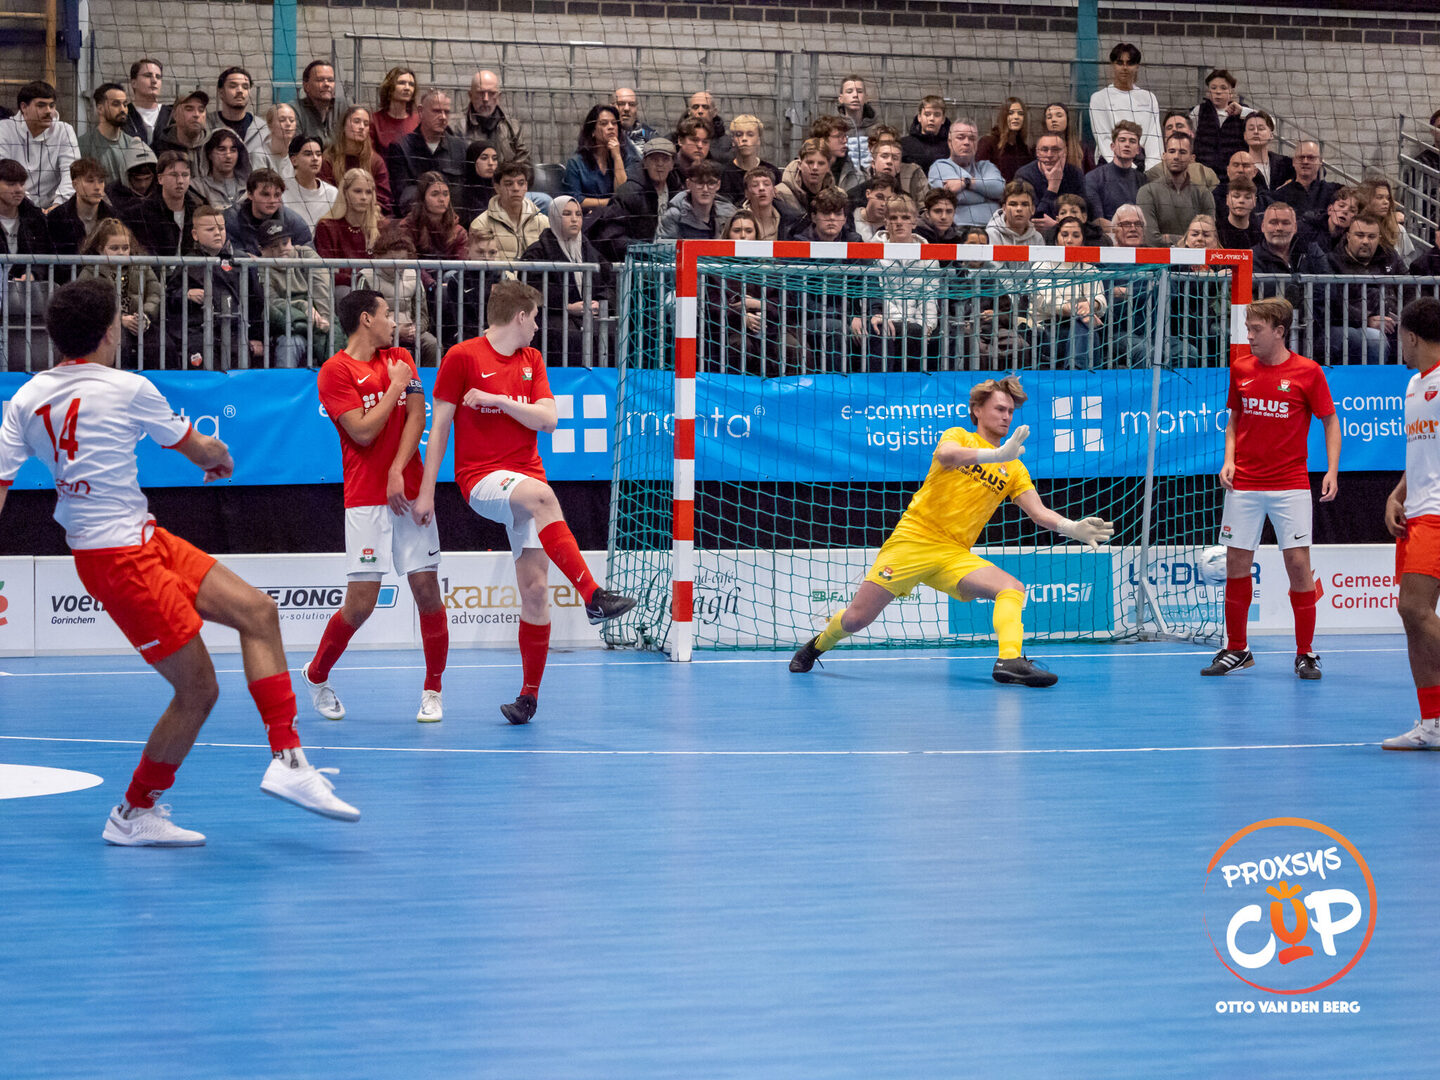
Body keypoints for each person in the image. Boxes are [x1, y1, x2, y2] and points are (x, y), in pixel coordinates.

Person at [0, 278, 359, 843]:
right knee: (198, 690)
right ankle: (132, 814)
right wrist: (218, 458)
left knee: (259, 612)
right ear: (110, 332)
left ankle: (289, 760)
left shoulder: (24, 399)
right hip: (118, 559)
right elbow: (200, 448)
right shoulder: (128, 388)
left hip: (142, 540)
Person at [789, 375, 1113, 684]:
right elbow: (946, 456)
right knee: (856, 619)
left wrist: (1073, 527)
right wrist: (996, 454)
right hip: (913, 542)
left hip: (953, 554)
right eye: (1000, 409)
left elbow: (1038, 512)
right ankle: (816, 646)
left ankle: (1010, 661)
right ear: (977, 410)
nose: (1006, 416)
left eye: (1011, 411)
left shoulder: (1014, 468)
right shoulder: (958, 435)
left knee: (1011, 588)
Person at [413, 279, 637, 724]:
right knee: (544, 495)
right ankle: (593, 595)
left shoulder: (532, 359)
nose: (537, 326)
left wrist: (498, 400)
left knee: (535, 590)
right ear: (519, 316)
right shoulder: (462, 357)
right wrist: (426, 491)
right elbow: (438, 429)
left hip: (526, 482)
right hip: (481, 479)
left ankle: (528, 698)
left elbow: (549, 420)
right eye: (534, 318)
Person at [300, 288, 449, 723]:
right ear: (366, 319)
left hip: (410, 491)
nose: (394, 322)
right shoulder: (334, 372)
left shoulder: (401, 356)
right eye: (387, 314)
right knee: (361, 604)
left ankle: (433, 690)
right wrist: (395, 388)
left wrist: (398, 469)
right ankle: (316, 674)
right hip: (365, 498)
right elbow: (362, 432)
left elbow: (417, 417)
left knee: (428, 592)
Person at [1203, 297, 1339, 680]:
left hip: (1290, 484)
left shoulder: (1308, 372)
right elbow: (1234, 422)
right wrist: (1228, 460)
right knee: (1236, 564)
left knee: (1298, 564)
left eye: (1256, 329)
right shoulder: (1241, 368)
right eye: (1247, 329)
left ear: (1279, 331)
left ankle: (1306, 652)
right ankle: (1237, 648)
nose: (1249, 336)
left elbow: (1330, 421)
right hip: (1244, 484)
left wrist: (1332, 470)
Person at [1382, 299, 1440, 747]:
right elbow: (1421, 453)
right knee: (1412, 620)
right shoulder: (1414, 386)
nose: (1399, 344)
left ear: (1412, 337)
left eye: (1400, 336)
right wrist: (1397, 495)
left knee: (1413, 609)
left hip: (1438, 515)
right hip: (1416, 514)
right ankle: (1432, 724)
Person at [76, 219, 161, 368]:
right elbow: (87, 304)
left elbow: (155, 294)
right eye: (114, 248)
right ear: (100, 249)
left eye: (125, 248)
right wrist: (119, 319)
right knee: (120, 345)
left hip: (140, 322)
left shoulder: (142, 267)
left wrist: (145, 316)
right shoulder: (90, 272)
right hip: (107, 326)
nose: (121, 253)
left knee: (162, 345)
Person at [352, 232, 440, 367]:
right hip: (377, 334)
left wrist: (416, 329)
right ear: (378, 257)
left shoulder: (414, 276)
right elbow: (361, 317)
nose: (398, 265)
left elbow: (423, 316)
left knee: (432, 344)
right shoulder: (366, 278)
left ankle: (426, 378)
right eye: (392, 260)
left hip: (410, 332)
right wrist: (393, 331)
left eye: (403, 260)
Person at [255, 219, 333, 367]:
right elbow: (272, 303)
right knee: (291, 342)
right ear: (262, 250)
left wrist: (324, 318)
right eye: (274, 246)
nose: (282, 249)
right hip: (287, 325)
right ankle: (285, 381)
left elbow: (321, 287)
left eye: (285, 243)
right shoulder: (260, 267)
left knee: (334, 338)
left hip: (319, 316)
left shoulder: (306, 254)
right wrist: (303, 306)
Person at [588, 137, 681, 262]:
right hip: (637, 264)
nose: (660, 164)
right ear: (645, 162)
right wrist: (647, 251)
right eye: (654, 159)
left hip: (671, 260)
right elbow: (610, 236)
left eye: (665, 159)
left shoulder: (678, 192)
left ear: (672, 164)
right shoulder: (629, 193)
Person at [0, 80, 80, 211]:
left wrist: (58, 206)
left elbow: (71, 174)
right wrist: (33, 210)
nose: (48, 111)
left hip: (56, 210)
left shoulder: (65, 130)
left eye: (52, 105)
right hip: (14, 207)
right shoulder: (3, 130)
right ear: (24, 107)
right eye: (41, 105)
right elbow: (4, 177)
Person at [386, 89, 467, 212]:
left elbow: (464, 195)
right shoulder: (401, 148)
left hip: (452, 220)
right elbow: (403, 197)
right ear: (420, 111)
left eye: (446, 112)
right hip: (415, 220)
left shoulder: (460, 148)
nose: (443, 117)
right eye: (436, 111)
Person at [1088, 43, 1162, 167]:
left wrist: (1151, 169)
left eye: (1130, 63)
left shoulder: (1149, 98)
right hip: (1110, 162)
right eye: (1120, 63)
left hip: (1141, 161)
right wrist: (1128, 168)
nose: (1125, 67)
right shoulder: (1099, 98)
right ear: (1112, 65)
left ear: (1137, 66)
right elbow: (1104, 139)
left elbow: (1154, 138)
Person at [1137, 132, 1215, 245]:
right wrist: (1191, 239)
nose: (1176, 157)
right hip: (1159, 257)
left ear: (1192, 158)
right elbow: (1151, 239)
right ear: (1164, 156)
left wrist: (1167, 238)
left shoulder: (1204, 194)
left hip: (1194, 256)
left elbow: (1209, 239)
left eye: (1182, 152)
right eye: (1172, 151)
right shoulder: (1147, 192)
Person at [315, 167, 389, 285]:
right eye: (357, 191)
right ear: (345, 193)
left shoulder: (382, 226)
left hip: (377, 285)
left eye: (368, 192)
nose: (364, 197)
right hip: (342, 287)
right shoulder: (327, 227)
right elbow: (327, 272)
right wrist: (360, 280)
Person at [121, 150, 202, 258]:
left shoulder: (198, 211)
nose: (180, 181)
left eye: (185, 175)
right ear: (160, 179)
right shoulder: (138, 214)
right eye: (174, 175)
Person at [927, 118, 1004, 227]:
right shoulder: (940, 166)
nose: (967, 142)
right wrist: (989, 196)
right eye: (960, 137)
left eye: (972, 138)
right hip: (958, 230)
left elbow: (1000, 190)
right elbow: (955, 197)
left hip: (993, 230)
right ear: (950, 142)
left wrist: (966, 182)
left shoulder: (986, 166)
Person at [320, 106, 393, 214]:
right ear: (343, 126)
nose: (362, 127)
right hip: (336, 215)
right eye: (356, 121)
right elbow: (325, 197)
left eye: (366, 124)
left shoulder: (375, 161)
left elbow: (384, 200)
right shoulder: (328, 160)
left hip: (369, 216)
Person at [561, 103, 633, 213]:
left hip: (617, 217)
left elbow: (623, 195)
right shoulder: (576, 163)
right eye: (604, 123)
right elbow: (575, 200)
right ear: (593, 131)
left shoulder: (624, 158)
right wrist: (610, 202)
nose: (611, 127)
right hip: (587, 217)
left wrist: (617, 157)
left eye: (614, 123)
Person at [226, 166, 313, 255]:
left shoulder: (294, 222)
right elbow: (230, 257)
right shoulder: (232, 220)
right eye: (265, 195)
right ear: (250, 194)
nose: (272, 200)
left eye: (277, 195)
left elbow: (309, 256)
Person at [471, 161, 548, 260]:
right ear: (497, 187)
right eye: (509, 184)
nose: (516, 188)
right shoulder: (481, 224)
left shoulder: (543, 223)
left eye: (521, 183)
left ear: (526, 186)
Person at [1012, 132, 1087, 228]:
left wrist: (1057, 226)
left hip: (1069, 231)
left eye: (1055, 150)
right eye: (1044, 150)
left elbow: (1083, 212)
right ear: (1037, 153)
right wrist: (1053, 187)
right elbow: (1035, 219)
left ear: (1065, 152)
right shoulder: (1024, 175)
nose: (1049, 155)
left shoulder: (1075, 173)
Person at [455, 70, 529, 164]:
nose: (486, 99)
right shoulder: (456, 127)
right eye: (481, 93)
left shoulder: (513, 128)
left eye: (491, 93)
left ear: (499, 97)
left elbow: (524, 164)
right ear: (470, 95)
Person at [1188, 69, 1253, 176]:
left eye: (1223, 88)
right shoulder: (1199, 111)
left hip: (1234, 174)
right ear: (1208, 92)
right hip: (1204, 174)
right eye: (1213, 88)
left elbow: (1269, 123)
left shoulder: (1243, 113)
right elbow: (1188, 137)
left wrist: (1243, 111)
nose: (1218, 92)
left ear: (1231, 92)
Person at [47, 158, 115, 259]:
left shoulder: (114, 217)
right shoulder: (55, 218)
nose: (97, 187)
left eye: (101, 181)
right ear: (75, 185)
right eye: (90, 181)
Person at [1084, 120, 1143, 231]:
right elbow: (1097, 220)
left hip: (1137, 237)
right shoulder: (1093, 178)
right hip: (1105, 238)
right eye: (1122, 140)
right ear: (1112, 146)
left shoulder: (1143, 180)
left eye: (1132, 141)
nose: (1127, 144)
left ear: (1138, 150)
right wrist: (1125, 231)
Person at [79, 82, 143, 184]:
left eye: (125, 104)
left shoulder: (133, 144)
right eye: (116, 104)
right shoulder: (83, 144)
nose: (122, 109)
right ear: (100, 109)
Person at [656, 159, 733, 240]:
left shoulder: (729, 214)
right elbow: (665, 247)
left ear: (718, 185)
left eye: (711, 183)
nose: (705, 189)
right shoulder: (674, 216)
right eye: (700, 183)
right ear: (688, 184)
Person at [399, 171, 468, 260]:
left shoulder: (459, 232)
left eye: (445, 194)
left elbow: (462, 266)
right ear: (422, 198)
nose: (442, 199)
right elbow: (406, 262)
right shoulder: (407, 227)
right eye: (435, 194)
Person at [214, 66, 271, 170]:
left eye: (245, 87)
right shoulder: (208, 125)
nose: (240, 91)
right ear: (221, 92)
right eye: (233, 86)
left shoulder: (263, 130)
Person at [718, 114, 781, 205]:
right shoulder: (723, 174)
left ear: (758, 140)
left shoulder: (773, 172)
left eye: (750, 135)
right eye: (739, 135)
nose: (744, 139)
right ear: (733, 141)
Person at [284, 134, 338, 234]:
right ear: (294, 160)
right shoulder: (282, 190)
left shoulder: (332, 193)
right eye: (308, 154)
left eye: (318, 154)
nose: (315, 158)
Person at [151, 88, 210, 175]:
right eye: (189, 109)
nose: (196, 115)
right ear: (175, 115)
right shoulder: (159, 149)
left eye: (201, 110)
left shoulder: (213, 146)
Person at [190, 128, 251, 210]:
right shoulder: (197, 188)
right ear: (209, 154)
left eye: (233, 150)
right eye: (221, 149)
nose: (228, 156)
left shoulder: (251, 187)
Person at [1274, 141, 1338, 219]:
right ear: (1294, 162)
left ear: (1320, 162)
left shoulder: (1334, 192)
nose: (1305, 161)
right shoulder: (1279, 195)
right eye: (1301, 157)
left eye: (1311, 158)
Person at [976, 97, 1033, 181]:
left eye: (1021, 113)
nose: (1016, 117)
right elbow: (978, 176)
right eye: (1011, 113)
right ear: (1003, 116)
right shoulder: (988, 142)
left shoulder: (1024, 149)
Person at [775, 138, 834, 218]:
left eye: (821, 163)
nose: (815, 168)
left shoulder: (837, 197)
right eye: (810, 162)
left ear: (828, 167)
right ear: (800, 165)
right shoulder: (779, 195)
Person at [371, 67, 419, 153]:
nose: (407, 88)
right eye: (401, 83)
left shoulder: (419, 121)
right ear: (389, 88)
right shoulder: (374, 120)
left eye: (411, 84)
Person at [296, 60, 346, 143]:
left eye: (330, 80)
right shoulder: (295, 111)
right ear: (306, 86)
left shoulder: (344, 108)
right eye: (320, 80)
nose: (327, 84)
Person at [836, 75, 878, 171]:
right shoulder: (833, 129)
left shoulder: (877, 129)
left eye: (859, 91)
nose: (855, 95)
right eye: (849, 91)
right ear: (841, 99)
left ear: (866, 98)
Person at [1244, 110, 1293, 192]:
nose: (1255, 132)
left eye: (1261, 128)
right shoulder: (1238, 165)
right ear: (1245, 135)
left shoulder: (1286, 164)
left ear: (1271, 135)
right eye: (1251, 129)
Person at [123, 58, 169, 145]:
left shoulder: (171, 115)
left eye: (158, 77)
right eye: (148, 75)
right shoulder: (124, 114)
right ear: (134, 83)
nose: (154, 81)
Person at [901, 95, 950, 175]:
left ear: (943, 119)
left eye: (937, 115)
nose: (931, 118)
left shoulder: (951, 145)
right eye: (927, 114)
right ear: (919, 117)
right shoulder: (904, 144)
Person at [1041, 102, 1095, 174]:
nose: (1053, 120)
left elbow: (1090, 175)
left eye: (1059, 116)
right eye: (1049, 117)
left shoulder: (1083, 149)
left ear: (1067, 119)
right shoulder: (1038, 150)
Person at [986, 180, 1043, 245]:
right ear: (1004, 208)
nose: (1019, 209)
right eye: (1013, 204)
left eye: (1025, 204)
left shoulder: (1037, 238)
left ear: (1032, 209)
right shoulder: (991, 234)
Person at [457, 138, 498, 225]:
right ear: (473, 160)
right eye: (484, 158)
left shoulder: (501, 191)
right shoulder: (460, 194)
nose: (491, 163)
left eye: (494, 158)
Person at [1217, 176, 1261, 250]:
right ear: (1227, 199)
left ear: (1254, 202)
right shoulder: (1215, 230)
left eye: (1247, 197)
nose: (1241, 201)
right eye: (1236, 196)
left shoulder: (1260, 233)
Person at [263, 103, 299, 182]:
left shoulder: (299, 154)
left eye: (292, 120)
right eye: (282, 120)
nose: (288, 124)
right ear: (270, 125)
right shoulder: (260, 155)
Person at [613, 87, 655, 153]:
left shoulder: (649, 134)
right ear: (611, 107)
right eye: (621, 104)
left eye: (632, 104)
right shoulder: (603, 134)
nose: (626, 108)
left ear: (636, 109)